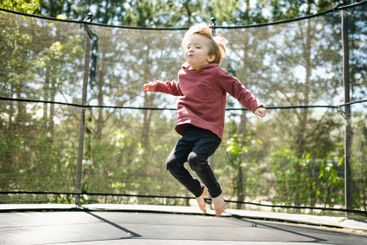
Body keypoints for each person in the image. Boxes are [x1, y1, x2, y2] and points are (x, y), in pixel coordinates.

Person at [144, 23, 266, 216]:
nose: (191, 49)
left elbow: (237, 88)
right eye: (189, 46)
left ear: (210, 57)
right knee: (172, 164)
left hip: (209, 131)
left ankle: (216, 194)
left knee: (195, 160)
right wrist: (159, 86)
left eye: (197, 47)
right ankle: (199, 191)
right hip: (189, 129)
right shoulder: (184, 73)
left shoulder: (216, 73)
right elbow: (178, 87)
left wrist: (254, 105)